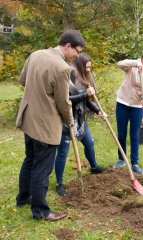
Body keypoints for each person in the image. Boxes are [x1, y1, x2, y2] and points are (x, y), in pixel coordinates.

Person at [15, 30, 85, 221]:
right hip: (44, 125)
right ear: (68, 45)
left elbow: (23, 80)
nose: (77, 56)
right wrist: (70, 120)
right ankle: (40, 211)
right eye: (77, 51)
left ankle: (23, 198)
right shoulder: (62, 68)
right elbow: (63, 102)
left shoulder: (35, 54)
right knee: (42, 168)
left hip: (28, 118)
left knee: (30, 159)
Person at [55, 53, 107, 196]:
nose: (89, 70)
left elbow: (86, 101)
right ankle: (59, 184)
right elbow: (66, 99)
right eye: (87, 67)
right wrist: (85, 95)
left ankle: (94, 166)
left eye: (90, 67)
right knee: (62, 153)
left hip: (80, 119)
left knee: (89, 142)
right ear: (79, 65)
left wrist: (98, 111)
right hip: (66, 119)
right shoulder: (69, 76)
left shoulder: (85, 77)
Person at [112, 50, 143, 174]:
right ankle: (121, 159)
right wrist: (135, 63)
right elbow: (119, 64)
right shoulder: (132, 67)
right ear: (142, 61)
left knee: (135, 134)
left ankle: (135, 163)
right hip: (123, 101)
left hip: (137, 105)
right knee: (121, 132)